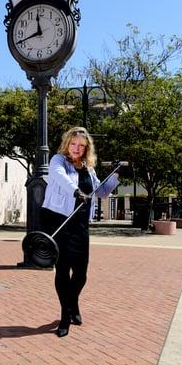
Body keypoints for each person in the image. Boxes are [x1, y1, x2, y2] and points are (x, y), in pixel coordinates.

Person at [41, 126, 120, 337]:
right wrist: (76, 192)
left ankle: (72, 302)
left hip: (80, 226)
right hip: (60, 221)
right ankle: (65, 316)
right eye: (74, 144)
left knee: (81, 274)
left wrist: (115, 174)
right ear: (68, 143)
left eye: (81, 146)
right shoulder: (58, 161)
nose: (77, 148)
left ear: (86, 148)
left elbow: (101, 192)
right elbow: (60, 178)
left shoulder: (89, 169)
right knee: (62, 271)